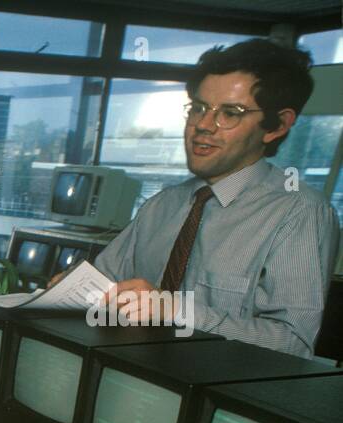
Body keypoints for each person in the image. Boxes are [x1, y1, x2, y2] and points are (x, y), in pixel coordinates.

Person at [68, 40, 338, 357]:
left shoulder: (300, 212)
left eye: (230, 113)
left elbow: (292, 343)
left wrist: (176, 311)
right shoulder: (163, 204)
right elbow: (105, 283)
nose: (203, 126)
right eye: (198, 107)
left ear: (277, 126)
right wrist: (74, 289)